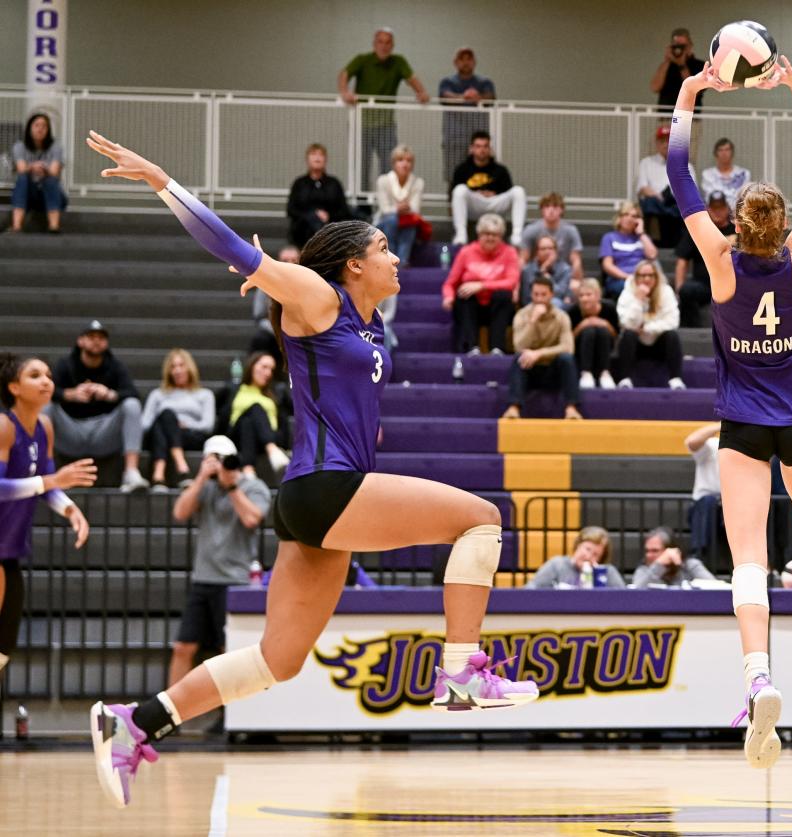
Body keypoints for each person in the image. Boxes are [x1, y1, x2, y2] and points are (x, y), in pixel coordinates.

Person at [85, 130, 539, 809]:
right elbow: (231, 246)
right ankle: (462, 673)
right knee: (482, 519)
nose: (393, 257)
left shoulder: (367, 326)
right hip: (326, 488)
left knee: (278, 660)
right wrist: (162, 180)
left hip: (316, 499)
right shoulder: (318, 297)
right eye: (382, 247)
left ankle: (134, 720)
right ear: (352, 264)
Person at [670, 57, 792, 770]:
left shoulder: (720, 261)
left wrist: (691, 93)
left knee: (748, 557)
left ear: (737, 221)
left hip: (741, 424)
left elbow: (679, 173)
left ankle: (757, 675)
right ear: (782, 225)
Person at [0, 353, 93, 680]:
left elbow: (47, 486)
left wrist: (69, 509)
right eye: (35, 375)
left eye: (49, 375)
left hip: (9, 550)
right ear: (14, 387)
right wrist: (51, 481)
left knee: (2, 652)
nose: (46, 381)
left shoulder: (45, 428)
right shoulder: (4, 427)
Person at [167, 435, 271, 688]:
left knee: (230, 650)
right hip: (203, 579)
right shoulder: (205, 488)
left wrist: (232, 486)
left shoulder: (253, 486)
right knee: (183, 647)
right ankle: (168, 716)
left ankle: (231, 718)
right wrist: (202, 477)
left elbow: (252, 519)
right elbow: (180, 512)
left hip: (234, 581)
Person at [48, 320, 148, 493]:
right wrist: (71, 394)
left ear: (106, 343)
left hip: (104, 433)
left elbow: (133, 393)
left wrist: (109, 394)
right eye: (91, 337)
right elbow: (48, 390)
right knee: (46, 405)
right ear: (81, 341)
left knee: (131, 405)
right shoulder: (65, 364)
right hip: (70, 431)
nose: (96, 341)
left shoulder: (115, 366)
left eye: (101, 338)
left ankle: (131, 471)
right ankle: (44, 469)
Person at [338, 28, 430, 189]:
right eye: (380, 42)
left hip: (385, 125)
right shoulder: (362, 60)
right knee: (360, 167)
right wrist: (345, 92)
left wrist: (422, 92)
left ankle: (387, 204)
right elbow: (344, 74)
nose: (384, 46)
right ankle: (362, 209)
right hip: (361, 124)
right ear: (374, 44)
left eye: (388, 42)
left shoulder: (399, 61)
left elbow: (412, 79)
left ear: (393, 45)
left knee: (390, 168)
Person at [501, 276, 583, 421]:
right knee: (519, 358)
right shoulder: (521, 315)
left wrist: (539, 353)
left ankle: (571, 408)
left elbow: (568, 348)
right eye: (536, 294)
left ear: (551, 295)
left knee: (567, 359)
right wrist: (533, 321)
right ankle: (514, 407)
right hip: (529, 369)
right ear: (531, 294)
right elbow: (519, 346)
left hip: (553, 370)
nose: (539, 299)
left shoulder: (561, 316)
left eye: (543, 294)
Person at [441, 213, 520, 354]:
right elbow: (450, 283)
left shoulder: (509, 252)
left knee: (503, 295)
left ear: (501, 236)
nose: (490, 238)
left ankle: (497, 348)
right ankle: (472, 348)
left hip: (498, 308)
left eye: (495, 234)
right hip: (472, 307)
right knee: (463, 295)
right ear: (479, 235)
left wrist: (481, 285)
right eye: (486, 234)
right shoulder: (466, 252)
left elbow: (512, 282)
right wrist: (448, 297)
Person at [140, 349, 215, 491]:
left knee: (166, 418)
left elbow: (208, 425)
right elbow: (145, 425)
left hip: (190, 435)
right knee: (165, 416)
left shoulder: (204, 394)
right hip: (159, 436)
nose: (177, 370)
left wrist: (186, 424)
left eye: (181, 365)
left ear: (190, 368)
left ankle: (158, 475)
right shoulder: (157, 394)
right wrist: (169, 422)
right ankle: (182, 469)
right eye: (173, 367)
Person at [216, 352, 290, 479]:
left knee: (248, 422)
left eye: (271, 369)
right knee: (254, 409)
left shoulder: (275, 393)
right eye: (264, 367)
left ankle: (248, 470)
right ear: (252, 366)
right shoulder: (234, 389)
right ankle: (272, 450)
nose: (268, 373)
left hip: (268, 434)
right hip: (236, 436)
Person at [615, 260, 685, 390]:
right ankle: (624, 379)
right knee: (628, 335)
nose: (646, 279)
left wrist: (647, 328)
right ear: (636, 277)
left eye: (651, 275)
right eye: (642, 275)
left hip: (658, 344)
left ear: (656, 277)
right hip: (636, 346)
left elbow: (672, 321)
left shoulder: (666, 291)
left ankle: (676, 379)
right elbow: (627, 323)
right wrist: (638, 300)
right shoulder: (628, 291)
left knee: (672, 335)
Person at [450, 131, 526, 247]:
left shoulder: (500, 170)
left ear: (489, 149)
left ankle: (517, 235)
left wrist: (494, 193)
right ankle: (461, 235)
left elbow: (508, 191)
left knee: (518, 191)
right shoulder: (462, 169)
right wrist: (477, 193)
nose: (482, 150)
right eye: (478, 146)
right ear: (472, 149)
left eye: (485, 146)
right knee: (460, 190)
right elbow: (453, 195)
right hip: (474, 205)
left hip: (494, 204)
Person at [675, 190, 735, 327]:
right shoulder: (698, 230)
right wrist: (678, 290)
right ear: (708, 209)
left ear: (727, 208)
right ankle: (691, 333)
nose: (717, 212)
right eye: (714, 208)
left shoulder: (737, 229)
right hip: (704, 284)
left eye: (721, 208)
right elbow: (682, 261)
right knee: (686, 291)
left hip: (731, 284)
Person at [438, 47, 496, 185]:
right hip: (454, 138)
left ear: (474, 62)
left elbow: (491, 98)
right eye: (461, 59)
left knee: (480, 178)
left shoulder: (484, 82)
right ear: (455, 62)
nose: (465, 62)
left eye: (469, 59)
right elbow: (445, 96)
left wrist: (479, 97)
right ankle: (453, 207)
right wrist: (464, 97)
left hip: (478, 141)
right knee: (454, 178)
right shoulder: (447, 82)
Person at [286, 144, 353, 248]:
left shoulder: (334, 183)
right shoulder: (299, 183)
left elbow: (343, 210)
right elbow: (291, 210)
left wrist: (328, 216)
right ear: (307, 159)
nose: (317, 158)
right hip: (303, 231)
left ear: (325, 159)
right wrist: (311, 215)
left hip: (330, 228)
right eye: (313, 154)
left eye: (321, 155)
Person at [9, 113, 65, 233]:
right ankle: (16, 226)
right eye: (37, 125)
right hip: (28, 196)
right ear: (29, 128)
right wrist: (33, 166)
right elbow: (21, 168)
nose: (40, 129)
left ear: (48, 129)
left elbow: (55, 172)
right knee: (23, 178)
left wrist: (44, 169)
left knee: (50, 179)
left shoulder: (56, 147)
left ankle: (54, 226)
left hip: (51, 195)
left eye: (44, 126)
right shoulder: (20, 146)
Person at [373, 145, 430, 265]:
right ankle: (388, 259)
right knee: (392, 219)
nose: (405, 164)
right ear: (393, 164)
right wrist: (398, 209)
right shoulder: (383, 180)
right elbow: (385, 210)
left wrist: (403, 210)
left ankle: (402, 261)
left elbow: (415, 209)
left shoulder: (418, 182)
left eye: (409, 161)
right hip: (384, 223)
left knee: (410, 222)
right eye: (400, 160)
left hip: (406, 222)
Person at [525, 526, 624, 588]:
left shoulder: (607, 572)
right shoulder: (557, 565)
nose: (588, 556)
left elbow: (624, 599)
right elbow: (530, 590)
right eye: (587, 549)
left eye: (596, 554)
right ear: (578, 545)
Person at [250, 245, 299, 363]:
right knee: (260, 339)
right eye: (286, 260)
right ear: (277, 261)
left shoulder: (310, 282)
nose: (290, 264)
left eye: (294, 260)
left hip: (301, 331)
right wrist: (278, 331)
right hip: (274, 333)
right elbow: (259, 316)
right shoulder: (266, 281)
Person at [519, 192, 584, 282]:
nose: (551, 210)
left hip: (562, 274)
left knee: (575, 285)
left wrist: (576, 279)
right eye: (547, 206)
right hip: (536, 274)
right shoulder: (531, 230)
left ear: (562, 210)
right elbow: (523, 258)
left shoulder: (571, 230)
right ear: (542, 210)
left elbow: (576, 260)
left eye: (555, 207)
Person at [566, 279, 619, 390]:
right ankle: (586, 373)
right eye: (581, 296)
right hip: (580, 347)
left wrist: (605, 324)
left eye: (589, 295)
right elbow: (568, 339)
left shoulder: (609, 308)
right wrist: (582, 326)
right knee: (589, 330)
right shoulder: (573, 311)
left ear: (598, 295)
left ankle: (605, 373)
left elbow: (616, 336)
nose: (584, 299)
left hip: (605, 343)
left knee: (601, 330)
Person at [684, 423, 724, 562]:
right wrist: (724, 424)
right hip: (705, 505)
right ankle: (698, 557)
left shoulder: (750, 449)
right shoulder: (714, 445)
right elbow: (692, 441)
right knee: (708, 502)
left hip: (733, 505)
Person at [599, 201, 657, 299]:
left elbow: (652, 255)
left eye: (634, 216)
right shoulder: (609, 238)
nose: (629, 219)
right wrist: (628, 278)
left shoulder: (642, 238)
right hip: (619, 279)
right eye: (626, 215)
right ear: (619, 218)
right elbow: (607, 265)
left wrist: (641, 233)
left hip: (644, 278)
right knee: (629, 289)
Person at [635, 125, 682, 242]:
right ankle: (651, 239)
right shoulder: (646, 163)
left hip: (676, 202)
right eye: (662, 141)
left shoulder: (685, 164)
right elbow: (642, 188)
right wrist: (659, 197)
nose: (666, 144)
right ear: (657, 143)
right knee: (649, 203)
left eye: (669, 141)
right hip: (655, 200)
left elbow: (692, 189)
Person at [631, 527, 715, 588]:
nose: (648, 555)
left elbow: (715, 588)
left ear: (670, 549)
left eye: (655, 551)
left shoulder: (690, 565)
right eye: (647, 551)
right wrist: (659, 565)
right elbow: (635, 594)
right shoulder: (643, 570)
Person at [651, 27, 705, 112]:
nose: (679, 49)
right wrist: (667, 61)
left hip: (690, 117)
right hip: (666, 117)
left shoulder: (700, 65)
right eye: (676, 46)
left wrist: (682, 65)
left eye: (683, 46)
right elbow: (655, 87)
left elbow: (695, 90)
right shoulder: (666, 66)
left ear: (690, 46)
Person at [518, 235, 574, 309]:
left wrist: (545, 273)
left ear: (556, 251)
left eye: (550, 248)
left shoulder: (565, 269)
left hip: (556, 308)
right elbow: (526, 298)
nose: (547, 252)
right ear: (537, 252)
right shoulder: (528, 270)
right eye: (543, 249)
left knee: (556, 303)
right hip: (532, 307)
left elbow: (560, 294)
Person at [700, 139, 750, 210]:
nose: (724, 153)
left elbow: (744, 199)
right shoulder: (707, 174)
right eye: (720, 150)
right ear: (716, 153)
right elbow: (710, 198)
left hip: (738, 215)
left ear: (732, 152)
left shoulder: (744, 174)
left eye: (727, 149)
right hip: (716, 214)